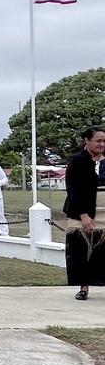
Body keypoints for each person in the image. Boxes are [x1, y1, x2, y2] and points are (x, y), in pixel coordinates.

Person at [63, 126, 105, 301]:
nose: (102, 144)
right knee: (81, 250)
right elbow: (72, 189)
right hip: (83, 211)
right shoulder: (77, 161)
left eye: (104, 141)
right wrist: (84, 215)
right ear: (86, 141)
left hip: (104, 211)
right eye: (98, 141)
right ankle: (83, 287)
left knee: (103, 252)